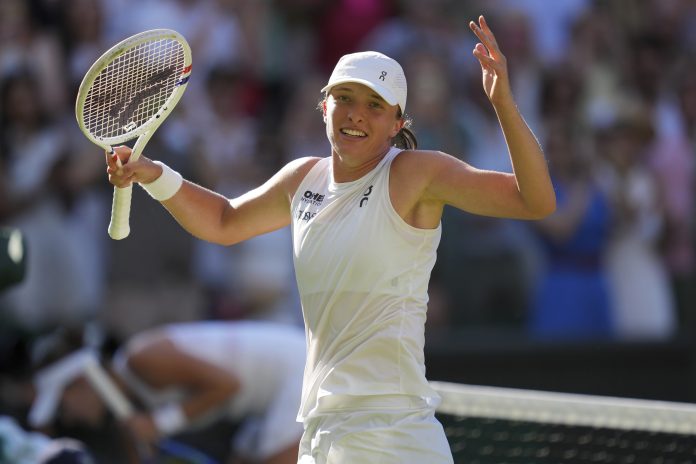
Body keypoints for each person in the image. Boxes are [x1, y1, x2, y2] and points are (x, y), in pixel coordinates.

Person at [105, 15, 555, 464]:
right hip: (321, 434)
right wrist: (154, 175)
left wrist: (503, 103)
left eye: (375, 105)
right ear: (324, 107)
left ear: (397, 123)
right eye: (345, 98)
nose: (356, 113)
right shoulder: (302, 178)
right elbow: (222, 221)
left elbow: (534, 201)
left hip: (393, 436)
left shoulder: (417, 173)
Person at [28, 320, 306, 464]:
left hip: (300, 370)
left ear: (80, 382)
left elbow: (228, 385)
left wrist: (158, 424)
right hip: (274, 395)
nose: (71, 419)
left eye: (63, 408)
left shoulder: (142, 359)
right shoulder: (132, 409)